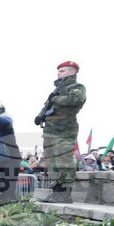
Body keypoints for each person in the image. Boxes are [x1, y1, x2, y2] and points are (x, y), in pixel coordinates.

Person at [36, 60, 86, 203]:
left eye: (62, 71)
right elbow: (50, 106)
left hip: (64, 129)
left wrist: (56, 99)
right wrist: (41, 116)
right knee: (52, 162)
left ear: (72, 72)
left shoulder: (77, 87)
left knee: (63, 160)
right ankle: (57, 190)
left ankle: (65, 192)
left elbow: (76, 99)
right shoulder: (57, 89)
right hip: (50, 129)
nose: (58, 73)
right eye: (59, 71)